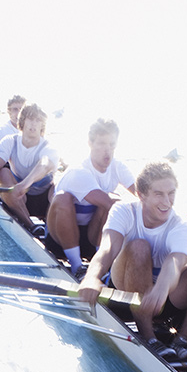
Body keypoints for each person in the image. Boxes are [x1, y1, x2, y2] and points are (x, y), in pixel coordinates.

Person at [77, 161, 187, 360]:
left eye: (171, 193)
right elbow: (107, 248)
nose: (167, 202)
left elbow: (175, 262)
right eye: (159, 194)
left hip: (165, 296)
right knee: (139, 246)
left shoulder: (182, 227)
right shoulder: (124, 211)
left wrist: (161, 288)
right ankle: (149, 337)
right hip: (125, 292)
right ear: (141, 195)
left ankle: (182, 340)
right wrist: (91, 278)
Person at [46, 118, 136, 276]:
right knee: (63, 198)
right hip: (59, 239)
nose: (107, 150)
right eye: (102, 144)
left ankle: (100, 261)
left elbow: (142, 196)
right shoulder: (79, 170)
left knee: (115, 199)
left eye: (112, 144)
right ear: (90, 143)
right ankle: (77, 266)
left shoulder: (118, 167)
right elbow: (108, 202)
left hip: (90, 236)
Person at [0, 103, 57, 228]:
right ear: (23, 121)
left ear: (42, 124)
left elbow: (44, 165)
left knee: (60, 187)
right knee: (2, 173)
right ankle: (31, 226)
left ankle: (51, 229)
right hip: (18, 198)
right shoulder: (10, 141)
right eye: (31, 119)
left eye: (38, 120)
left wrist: (25, 184)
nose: (34, 124)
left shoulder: (49, 146)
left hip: (44, 199)